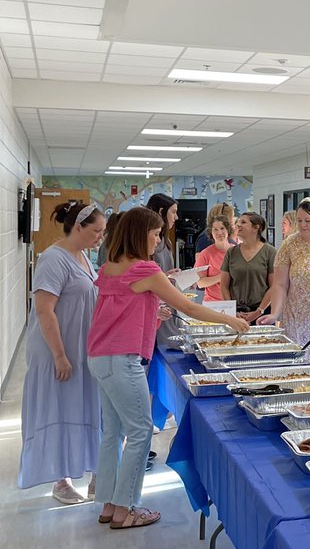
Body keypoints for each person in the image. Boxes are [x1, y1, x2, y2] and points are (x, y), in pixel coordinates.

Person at [88, 208, 249, 530]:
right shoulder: (145, 269)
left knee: (114, 433)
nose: (159, 239)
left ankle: (108, 504)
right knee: (139, 432)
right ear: (140, 234)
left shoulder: (109, 268)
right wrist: (230, 320)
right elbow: (188, 306)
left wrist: (153, 309)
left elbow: (123, 307)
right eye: (156, 234)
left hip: (100, 356)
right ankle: (126, 509)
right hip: (123, 359)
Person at [19, 201, 108, 504]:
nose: (101, 237)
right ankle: (60, 481)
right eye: (97, 231)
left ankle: (91, 473)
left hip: (80, 348)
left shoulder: (82, 255)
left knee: (79, 407)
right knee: (59, 408)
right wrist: (59, 355)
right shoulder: (53, 259)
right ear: (78, 227)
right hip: (56, 350)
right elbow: (45, 311)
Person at [258, 198, 310, 363]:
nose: (303, 225)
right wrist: (275, 313)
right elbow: (280, 284)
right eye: (299, 221)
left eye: (308, 221)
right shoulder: (290, 243)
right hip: (294, 314)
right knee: (295, 361)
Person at [220, 212, 278, 323]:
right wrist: (231, 311)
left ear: (256, 228)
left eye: (243, 222)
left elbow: (274, 286)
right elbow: (224, 286)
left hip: (262, 313)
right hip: (236, 313)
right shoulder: (231, 252)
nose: (238, 225)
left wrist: (258, 311)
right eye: (238, 222)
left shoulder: (270, 252)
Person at [144, 193, 180, 348]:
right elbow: (146, 279)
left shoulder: (166, 241)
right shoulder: (148, 244)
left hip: (167, 306)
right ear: (160, 212)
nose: (176, 217)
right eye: (173, 212)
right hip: (156, 309)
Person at [194, 216, 232, 302]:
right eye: (215, 229)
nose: (219, 232)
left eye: (222, 228)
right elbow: (200, 283)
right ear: (211, 232)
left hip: (235, 302)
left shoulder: (238, 251)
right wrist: (221, 277)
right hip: (213, 303)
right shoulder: (205, 254)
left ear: (228, 230)